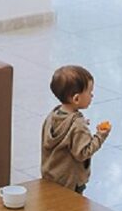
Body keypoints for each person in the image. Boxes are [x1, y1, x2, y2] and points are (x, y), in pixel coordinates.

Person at [41, 65, 111, 194]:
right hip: (70, 182)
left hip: (51, 175)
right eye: (90, 92)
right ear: (76, 99)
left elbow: (63, 131)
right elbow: (83, 153)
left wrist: (80, 125)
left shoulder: (53, 115)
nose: (92, 95)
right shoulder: (77, 125)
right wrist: (100, 136)